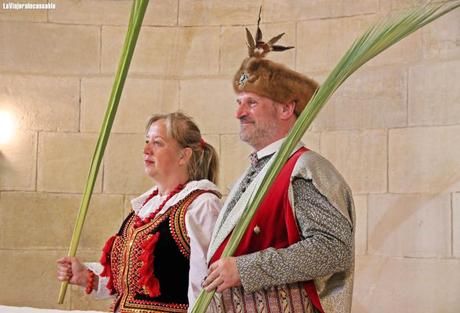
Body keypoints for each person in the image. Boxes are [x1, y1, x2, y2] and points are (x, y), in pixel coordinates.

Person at [202, 22, 355, 313]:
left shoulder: (303, 169)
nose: (238, 113)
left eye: (251, 102)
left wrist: (245, 269)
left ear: (286, 109)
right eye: (238, 102)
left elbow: (334, 249)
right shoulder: (256, 170)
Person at [57, 112, 222, 313]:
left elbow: (207, 287)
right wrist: (86, 274)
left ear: (183, 155)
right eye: (147, 142)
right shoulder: (145, 207)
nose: (146, 150)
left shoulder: (201, 205)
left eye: (158, 143)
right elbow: (131, 284)